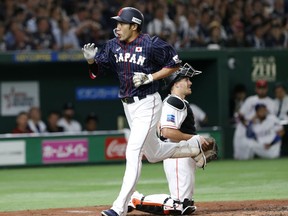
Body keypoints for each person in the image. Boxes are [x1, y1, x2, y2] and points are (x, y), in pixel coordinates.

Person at [81, 7, 211, 216]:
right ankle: (193, 147)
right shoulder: (113, 46)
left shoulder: (151, 44)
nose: (118, 27)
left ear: (134, 26)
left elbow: (175, 64)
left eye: (122, 23)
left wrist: (151, 77)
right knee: (153, 153)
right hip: (128, 104)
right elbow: (98, 72)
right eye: (117, 23)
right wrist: (91, 62)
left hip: (147, 102)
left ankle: (119, 207)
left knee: (133, 151)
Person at [128, 63, 206, 215]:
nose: (190, 82)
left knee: (186, 204)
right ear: (176, 83)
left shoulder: (177, 102)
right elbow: (167, 132)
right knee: (178, 206)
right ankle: (136, 199)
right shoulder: (173, 102)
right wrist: (196, 139)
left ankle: (141, 199)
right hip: (176, 153)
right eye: (186, 79)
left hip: (182, 153)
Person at [233, 79, 275, 160]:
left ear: (267, 89)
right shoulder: (250, 100)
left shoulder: (271, 102)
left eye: (263, 88)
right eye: (260, 88)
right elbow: (241, 115)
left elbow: (271, 119)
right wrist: (247, 123)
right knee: (241, 155)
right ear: (256, 88)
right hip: (247, 128)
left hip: (263, 131)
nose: (261, 90)